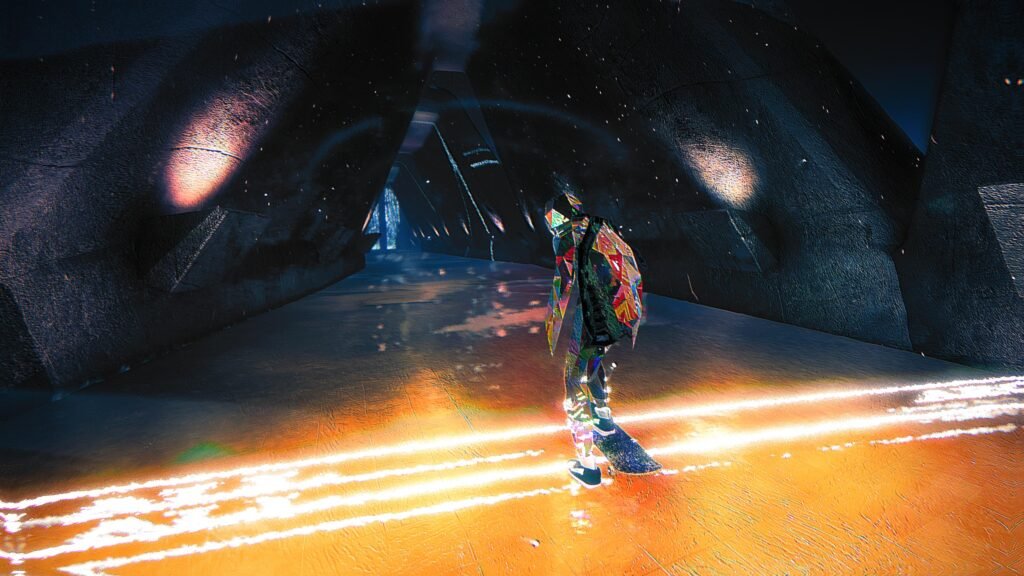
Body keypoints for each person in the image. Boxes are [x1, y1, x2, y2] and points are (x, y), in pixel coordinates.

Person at [543, 190, 645, 488]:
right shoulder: (602, 224)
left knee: (574, 378)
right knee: (594, 356)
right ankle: (602, 415)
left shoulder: (567, 235)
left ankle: (586, 464)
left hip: (595, 314)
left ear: (555, 217)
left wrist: (551, 327)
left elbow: (563, 283)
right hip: (622, 313)